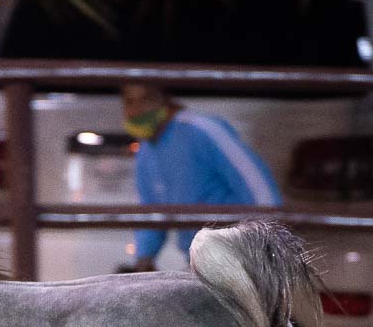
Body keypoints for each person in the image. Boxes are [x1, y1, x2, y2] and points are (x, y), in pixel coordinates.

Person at [118, 81, 283, 272]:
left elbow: (259, 188)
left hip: (239, 255)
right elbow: (151, 210)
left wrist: (272, 255)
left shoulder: (203, 130)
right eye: (129, 102)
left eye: (146, 100)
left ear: (165, 99)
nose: (136, 110)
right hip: (199, 262)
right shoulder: (145, 152)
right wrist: (143, 260)